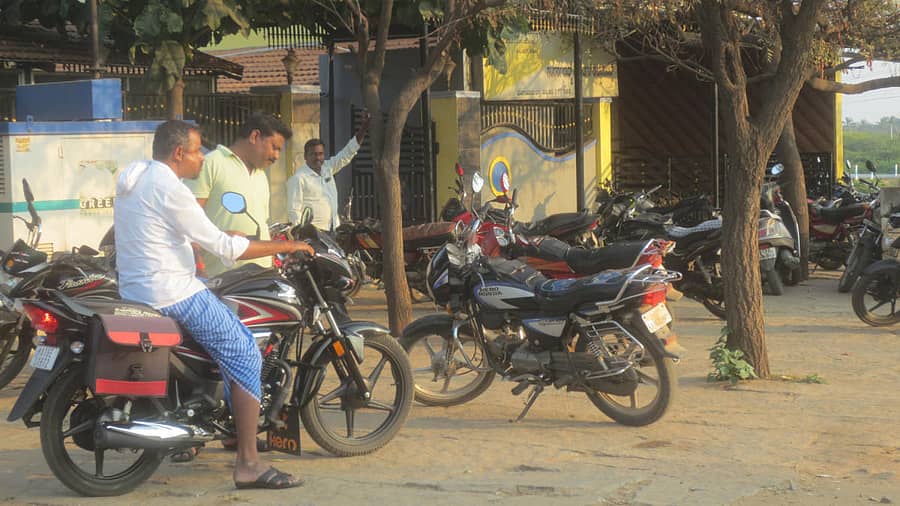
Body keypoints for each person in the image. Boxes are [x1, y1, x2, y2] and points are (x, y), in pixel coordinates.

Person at [114, 120, 309, 490]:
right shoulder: (173, 188)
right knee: (245, 352)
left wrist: (217, 237)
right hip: (173, 293)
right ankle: (249, 463)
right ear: (178, 154)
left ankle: (222, 418)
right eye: (196, 150)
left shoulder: (134, 175)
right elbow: (228, 250)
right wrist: (286, 246)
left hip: (136, 290)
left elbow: (166, 231)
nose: (201, 157)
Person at [184, 113, 292, 277]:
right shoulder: (212, 163)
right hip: (222, 280)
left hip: (260, 279)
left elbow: (262, 224)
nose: (277, 156)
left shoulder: (261, 175)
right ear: (254, 136)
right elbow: (188, 223)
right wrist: (199, 269)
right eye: (274, 147)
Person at [287, 115, 369, 230]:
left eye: (320, 154)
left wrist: (364, 128)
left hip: (334, 229)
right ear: (305, 156)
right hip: (313, 234)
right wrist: (301, 234)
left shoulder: (328, 168)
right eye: (313, 154)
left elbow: (347, 153)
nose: (318, 158)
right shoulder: (298, 178)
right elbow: (294, 211)